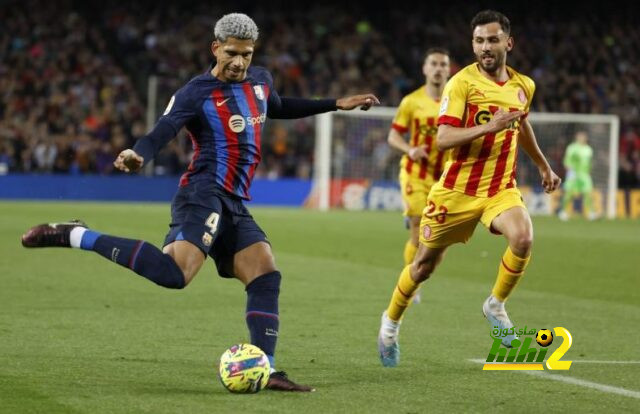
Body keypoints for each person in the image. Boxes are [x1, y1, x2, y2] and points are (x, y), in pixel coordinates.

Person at [21, 13, 379, 391]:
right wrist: (138, 152)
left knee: (265, 274)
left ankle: (266, 368)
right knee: (174, 274)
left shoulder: (260, 79)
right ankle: (78, 235)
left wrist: (336, 103)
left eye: (247, 54)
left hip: (235, 201)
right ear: (215, 48)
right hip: (202, 193)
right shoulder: (196, 92)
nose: (239, 62)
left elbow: (276, 105)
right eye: (231, 53)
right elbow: (164, 128)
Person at [377, 10, 561, 367]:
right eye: (479, 41)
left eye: (492, 40)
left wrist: (542, 164)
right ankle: (390, 323)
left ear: (508, 42)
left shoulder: (524, 85)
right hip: (456, 190)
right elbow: (444, 138)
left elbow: (522, 125)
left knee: (523, 238)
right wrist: (489, 127)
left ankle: (495, 305)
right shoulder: (461, 83)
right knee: (423, 266)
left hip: (499, 188)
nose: (485, 47)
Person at [388, 48, 451, 304]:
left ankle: (421, 271)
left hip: (446, 178)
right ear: (425, 69)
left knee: (436, 239)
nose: (438, 68)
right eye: (433, 63)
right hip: (416, 173)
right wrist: (410, 149)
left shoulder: (458, 101)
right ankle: (411, 282)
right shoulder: (411, 101)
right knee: (417, 229)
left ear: (449, 70)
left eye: (443, 64)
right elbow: (393, 136)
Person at [558, 131, 596, 220]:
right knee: (569, 193)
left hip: (584, 175)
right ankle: (563, 212)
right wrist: (570, 171)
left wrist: (589, 171)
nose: (581, 138)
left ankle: (591, 213)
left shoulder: (588, 149)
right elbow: (566, 161)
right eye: (580, 136)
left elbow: (589, 163)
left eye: (583, 137)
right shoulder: (572, 148)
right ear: (576, 137)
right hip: (574, 173)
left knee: (588, 193)